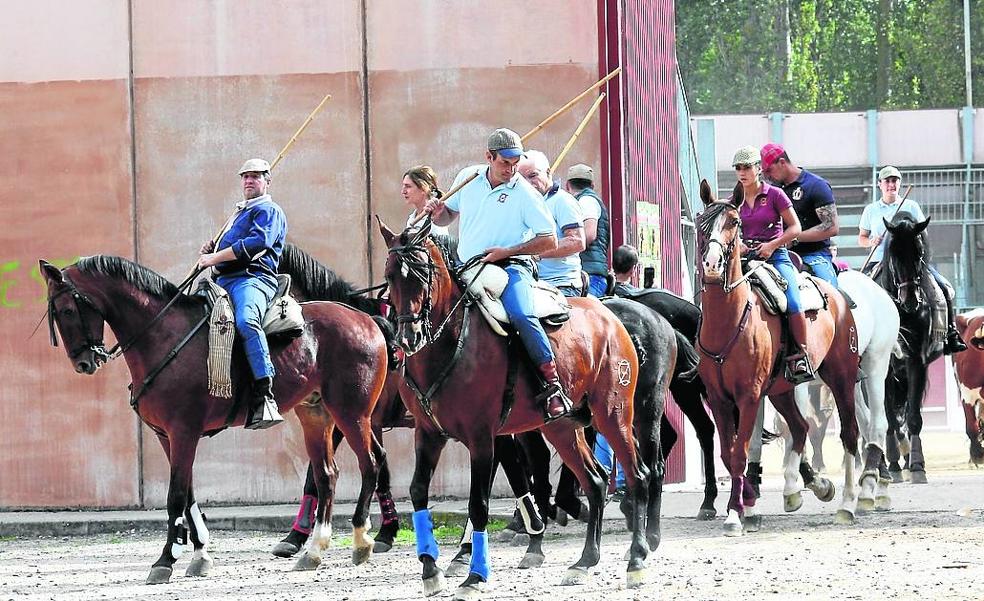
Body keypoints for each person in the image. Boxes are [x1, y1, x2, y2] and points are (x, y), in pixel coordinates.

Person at [427, 128, 572, 419]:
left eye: (516, 161)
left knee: (520, 313)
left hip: (512, 267)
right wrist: (435, 212)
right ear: (488, 157)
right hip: (467, 267)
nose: (512, 168)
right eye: (505, 162)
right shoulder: (468, 178)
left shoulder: (526, 194)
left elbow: (549, 240)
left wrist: (505, 252)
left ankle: (552, 382)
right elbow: (447, 216)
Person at [198, 158, 288, 429]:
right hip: (222, 281)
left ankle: (264, 394)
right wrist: (211, 250)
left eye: (256, 176)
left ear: (267, 181)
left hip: (252, 279)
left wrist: (212, 259)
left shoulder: (269, 210)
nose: (249, 181)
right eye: (245, 176)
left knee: (246, 322)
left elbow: (256, 244)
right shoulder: (238, 213)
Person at [859, 166, 967, 354]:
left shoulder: (911, 206)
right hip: (879, 262)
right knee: (859, 299)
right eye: (887, 181)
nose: (891, 185)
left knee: (944, 288)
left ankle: (950, 334)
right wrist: (871, 241)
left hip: (910, 263)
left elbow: (923, 236)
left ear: (899, 184)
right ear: (879, 185)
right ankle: (860, 341)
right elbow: (861, 238)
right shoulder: (871, 210)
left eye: (895, 181)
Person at [731, 145, 813, 382]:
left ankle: (800, 355)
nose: (742, 172)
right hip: (745, 260)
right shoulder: (733, 200)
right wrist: (740, 245)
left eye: (747, 167)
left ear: (758, 168)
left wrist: (772, 245)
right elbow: (728, 231)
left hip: (776, 257)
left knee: (793, 301)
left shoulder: (776, 195)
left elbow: (795, 228)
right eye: (738, 168)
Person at [760, 143, 840, 287]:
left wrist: (793, 238)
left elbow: (831, 227)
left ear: (782, 162)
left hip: (814, 255)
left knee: (830, 291)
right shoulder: (772, 190)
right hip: (776, 255)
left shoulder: (816, 185)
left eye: (769, 170)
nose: (767, 176)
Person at [518, 150, 585, 297]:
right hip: (530, 282)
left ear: (548, 172)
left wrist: (535, 254)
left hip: (561, 284)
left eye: (533, 175)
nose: (528, 183)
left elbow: (577, 241)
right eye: (522, 179)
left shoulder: (562, 201)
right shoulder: (524, 204)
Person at [565, 164, 610, 297]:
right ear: (592, 184)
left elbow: (588, 235)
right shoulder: (585, 200)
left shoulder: (586, 201)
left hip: (589, 275)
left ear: (567, 185)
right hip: (591, 271)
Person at [402, 165, 449, 236]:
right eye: (403, 186)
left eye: (408, 186)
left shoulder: (436, 220)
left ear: (423, 189)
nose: (403, 191)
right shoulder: (411, 219)